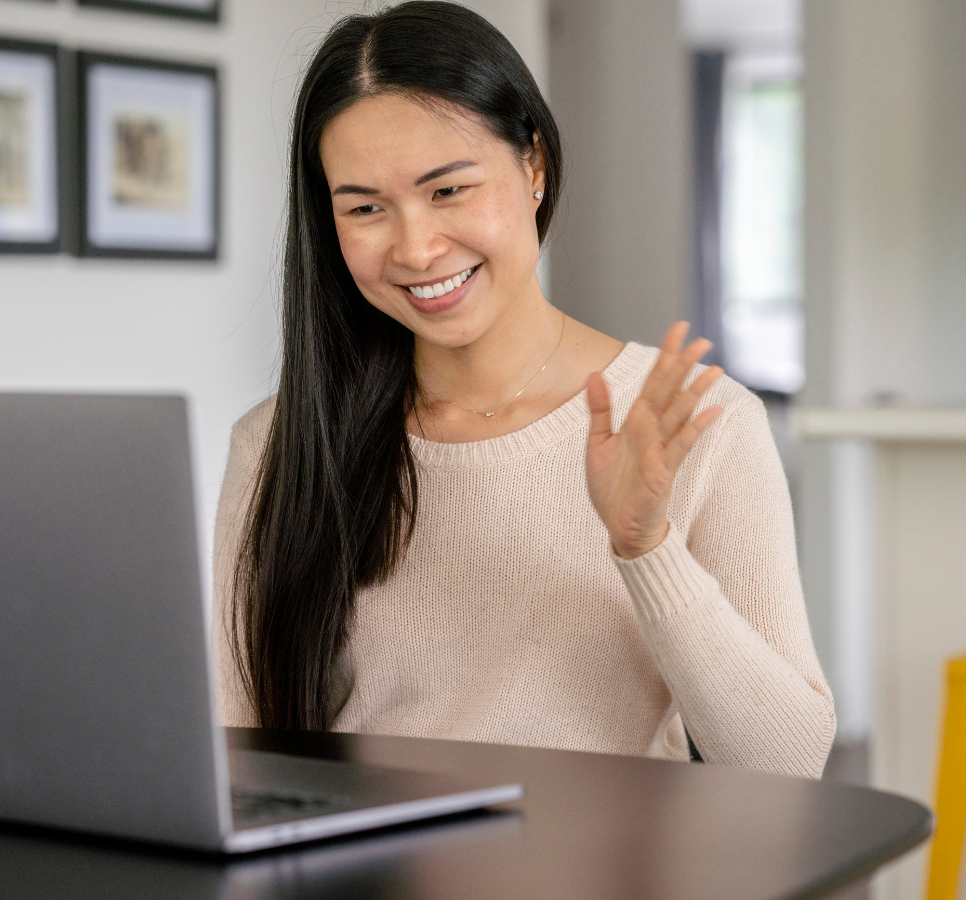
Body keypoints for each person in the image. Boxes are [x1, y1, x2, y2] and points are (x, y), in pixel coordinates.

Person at [214, 0, 834, 779]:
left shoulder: (698, 424)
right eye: (366, 208)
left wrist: (646, 547)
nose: (415, 247)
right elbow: (239, 759)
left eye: (448, 191)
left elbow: (788, 764)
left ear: (533, 165)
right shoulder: (281, 444)